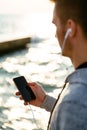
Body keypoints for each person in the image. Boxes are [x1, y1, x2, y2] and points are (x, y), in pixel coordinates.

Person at [16, 0, 87, 129]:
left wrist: (66, 107)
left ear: (70, 28)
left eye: (56, 25)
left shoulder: (74, 103)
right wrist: (45, 101)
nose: (55, 35)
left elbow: (77, 108)